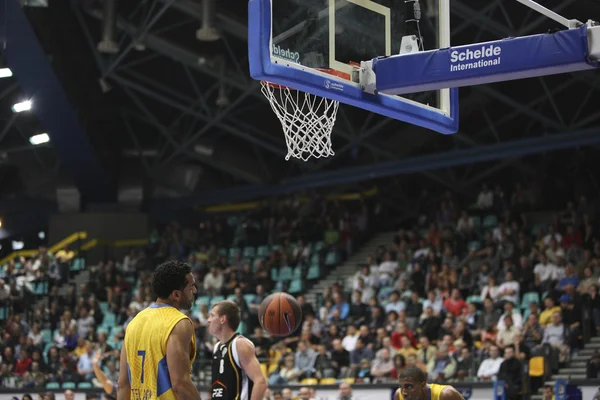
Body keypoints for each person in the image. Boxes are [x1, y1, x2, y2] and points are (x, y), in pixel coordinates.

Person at [117, 261, 200, 400]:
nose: (195, 290)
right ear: (176, 295)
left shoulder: (133, 323)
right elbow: (180, 384)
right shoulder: (178, 322)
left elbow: (122, 385)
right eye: (191, 286)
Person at [208, 300, 267, 400]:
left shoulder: (240, 344)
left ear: (223, 319)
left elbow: (260, 382)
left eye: (212, 315)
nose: (209, 320)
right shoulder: (217, 347)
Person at [395, 366, 463, 400]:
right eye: (401, 386)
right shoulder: (399, 395)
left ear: (423, 385)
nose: (404, 392)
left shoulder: (446, 395)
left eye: (409, 386)